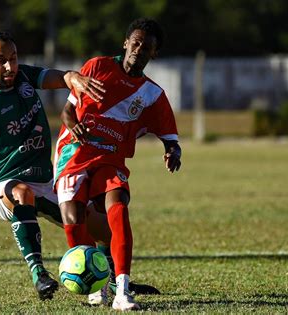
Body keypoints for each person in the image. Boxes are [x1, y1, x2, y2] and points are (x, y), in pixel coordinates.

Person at [0, 31, 106, 301]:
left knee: (103, 229)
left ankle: (113, 281)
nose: (10, 66)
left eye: (13, 58)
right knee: (23, 193)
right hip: (4, 183)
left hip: (44, 181)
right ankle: (39, 275)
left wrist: (72, 77)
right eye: (1, 61)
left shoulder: (23, 76)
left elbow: (57, 77)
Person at [53, 18, 182, 311]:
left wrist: (173, 151)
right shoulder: (97, 67)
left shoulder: (152, 95)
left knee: (118, 205)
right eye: (135, 43)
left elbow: (171, 137)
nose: (138, 49)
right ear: (126, 43)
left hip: (110, 158)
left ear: (154, 54)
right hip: (74, 153)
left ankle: (122, 290)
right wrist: (73, 127)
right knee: (72, 218)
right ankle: (96, 285)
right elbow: (67, 111)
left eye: (146, 47)